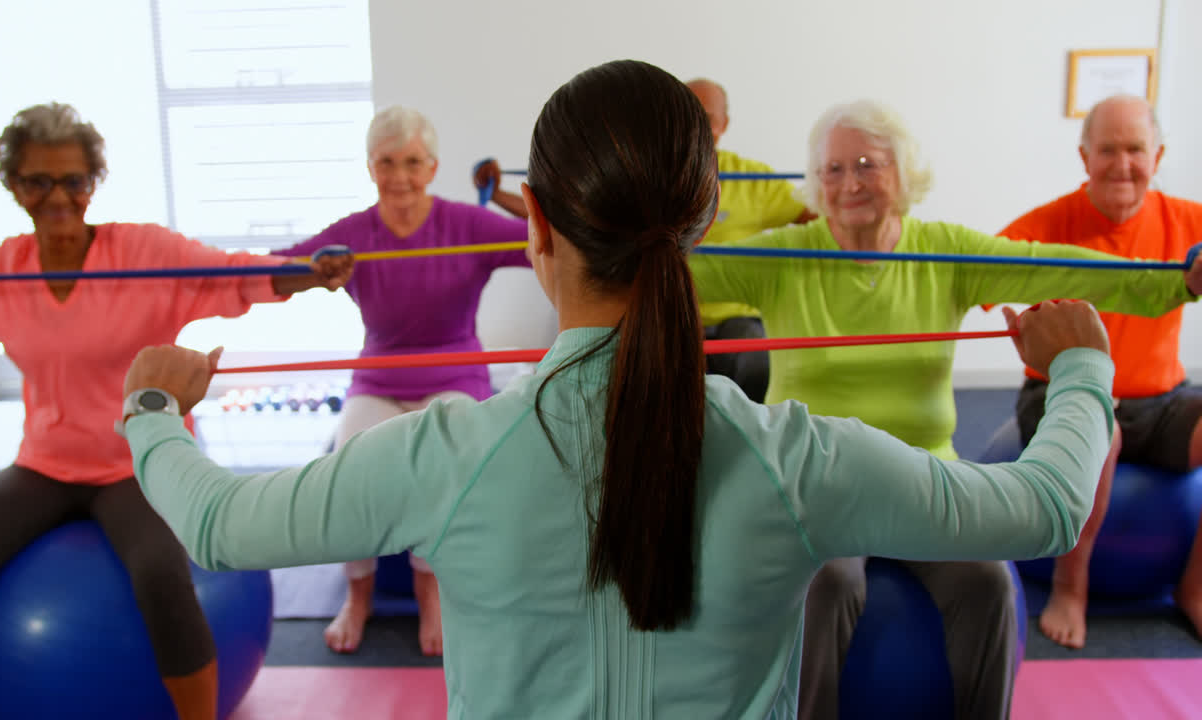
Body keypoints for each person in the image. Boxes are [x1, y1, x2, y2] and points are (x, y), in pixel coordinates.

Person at [126, 59, 1127, 719]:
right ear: (700, 227)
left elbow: (219, 526)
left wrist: (155, 406)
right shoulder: (794, 457)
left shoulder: (450, 455)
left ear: (537, 233)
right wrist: (1079, 366)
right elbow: (1041, 507)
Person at [687, 99, 1202, 720]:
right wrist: (565, 245)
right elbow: (682, 274)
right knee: (826, 584)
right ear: (816, 184)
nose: (850, 182)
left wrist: (1177, 282)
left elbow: (1059, 268)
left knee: (988, 583)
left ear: (902, 174)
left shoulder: (944, 252)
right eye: (832, 170)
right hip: (815, 480)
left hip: (923, 472)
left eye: (866, 165)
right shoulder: (786, 255)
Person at [0, 102, 352, 720]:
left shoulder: (140, 253)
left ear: (93, 182)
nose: (58, 196)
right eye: (38, 181)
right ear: (15, 187)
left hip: (137, 461)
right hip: (44, 464)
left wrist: (306, 275)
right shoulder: (4, 272)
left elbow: (227, 275)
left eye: (73, 179)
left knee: (162, 581)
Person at [271, 106, 531, 656]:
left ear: (432, 167)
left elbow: (542, 245)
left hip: (455, 369)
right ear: (370, 168)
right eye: (387, 162)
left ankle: (429, 588)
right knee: (345, 471)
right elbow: (276, 271)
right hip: (381, 374)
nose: (400, 176)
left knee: (446, 466)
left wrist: (519, 194)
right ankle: (357, 594)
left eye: (412, 162)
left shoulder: (466, 225)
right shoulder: (353, 235)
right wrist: (305, 274)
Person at [1000, 94, 1202, 649]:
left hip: (1162, 401)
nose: (1122, 164)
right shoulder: (1046, 225)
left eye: (1135, 149)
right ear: (1084, 156)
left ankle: (1196, 589)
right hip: (1062, 392)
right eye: (1107, 150)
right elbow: (979, 270)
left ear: (1157, 156)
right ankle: (1071, 586)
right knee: (1099, 433)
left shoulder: (1188, 220)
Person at [473, 77, 812, 402]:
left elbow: (818, 219)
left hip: (732, 321)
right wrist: (497, 193)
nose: (696, 127)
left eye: (706, 118)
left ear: (724, 124)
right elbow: (563, 214)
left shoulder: (755, 179)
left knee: (747, 349)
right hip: (654, 309)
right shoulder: (640, 174)